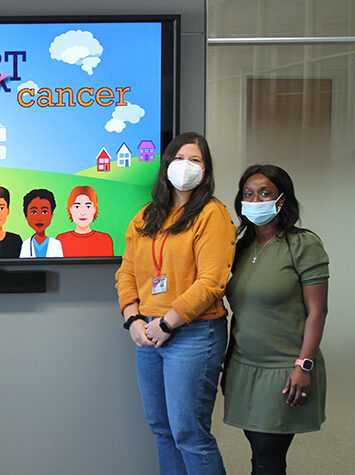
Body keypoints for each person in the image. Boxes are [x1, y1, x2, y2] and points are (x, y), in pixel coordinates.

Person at [115, 132, 236, 474]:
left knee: (189, 433)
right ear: (166, 164)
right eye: (180, 158)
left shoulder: (213, 214)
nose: (186, 166)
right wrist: (133, 318)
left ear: (206, 169)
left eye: (195, 160)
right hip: (148, 334)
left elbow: (212, 282)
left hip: (194, 333)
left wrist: (167, 323)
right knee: (163, 431)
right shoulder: (145, 216)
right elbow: (126, 272)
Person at [223, 165, 329, 475]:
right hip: (244, 367)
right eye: (248, 194)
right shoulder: (240, 248)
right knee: (259, 455)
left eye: (265, 193)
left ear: (282, 200)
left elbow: (317, 311)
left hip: (285, 369)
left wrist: (304, 364)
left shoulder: (303, 245)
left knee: (269, 459)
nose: (255, 199)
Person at [56, 185, 114, 257]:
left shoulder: (104, 240)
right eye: (77, 206)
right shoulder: (61, 240)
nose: (83, 212)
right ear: (70, 209)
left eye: (88, 206)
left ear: (95, 209)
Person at [19, 188, 63, 258]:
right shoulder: (26, 244)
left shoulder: (56, 244)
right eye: (34, 212)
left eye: (44, 212)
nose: (39, 217)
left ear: (51, 215)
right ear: (26, 215)